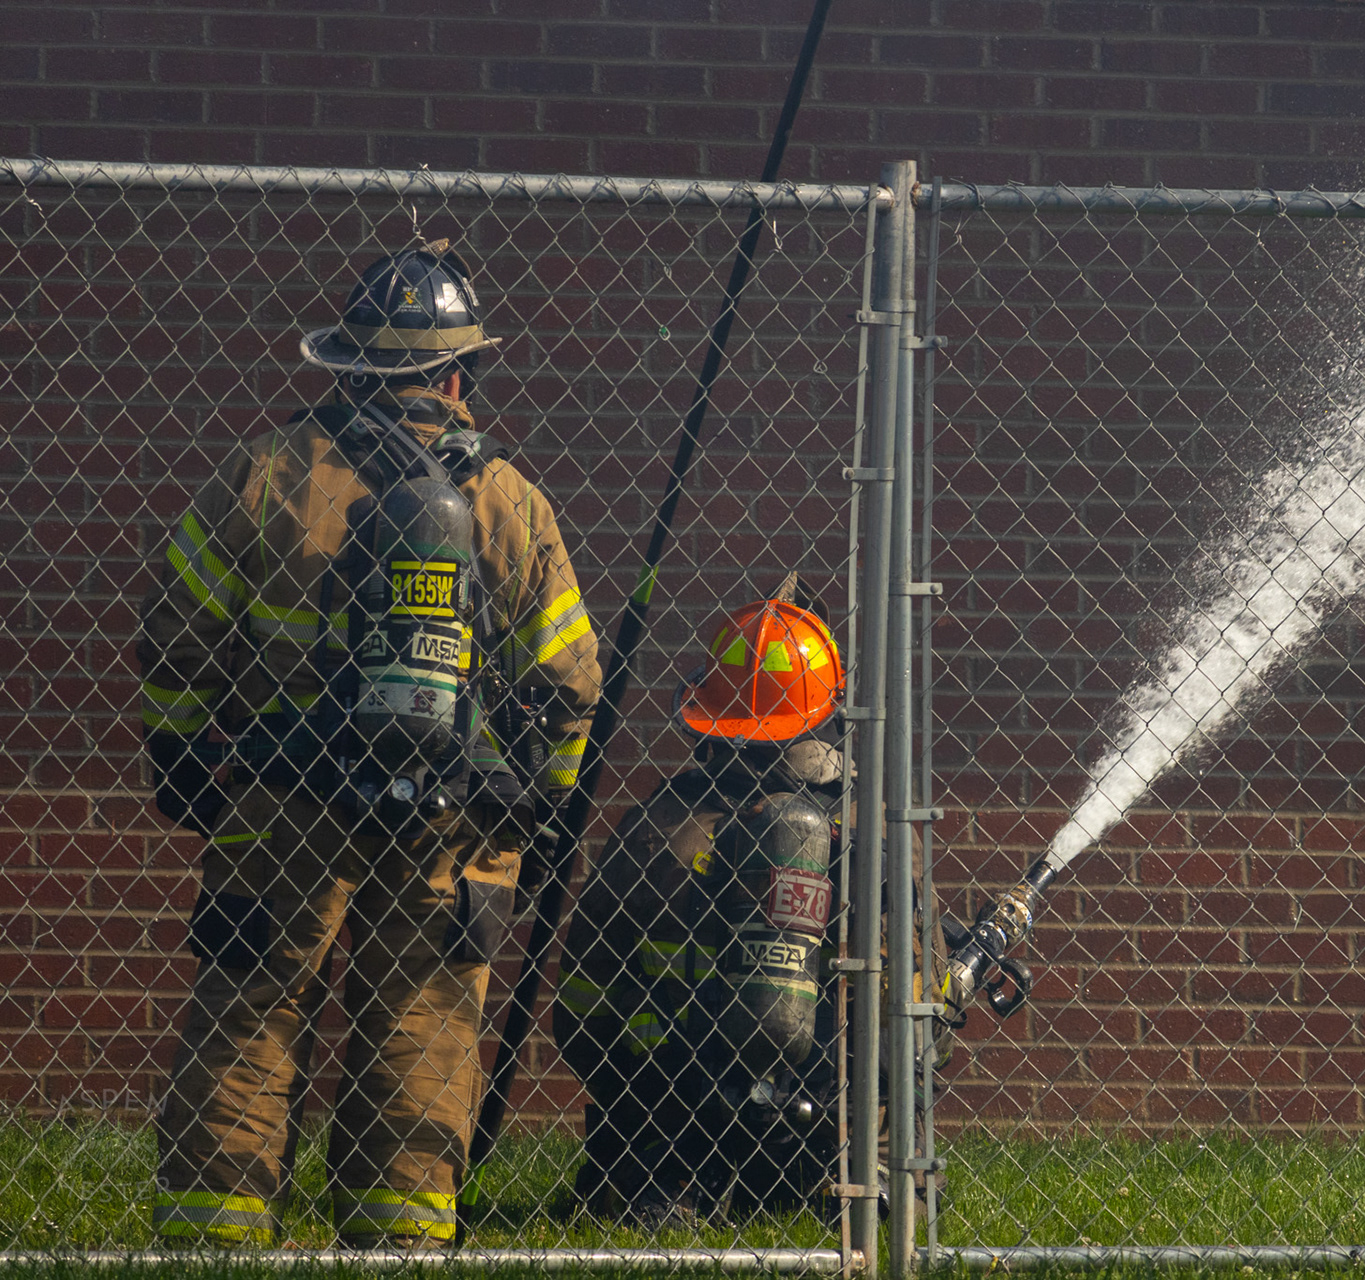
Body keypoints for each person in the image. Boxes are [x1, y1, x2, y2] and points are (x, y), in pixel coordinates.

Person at [136, 241, 602, 1248]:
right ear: (456, 372)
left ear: (348, 363)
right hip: (452, 819)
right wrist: (549, 801)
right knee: (424, 1027)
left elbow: (177, 625)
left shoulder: (269, 475)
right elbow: (571, 681)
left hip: (282, 799)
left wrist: (179, 750)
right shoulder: (511, 503)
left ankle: (213, 1234)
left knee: (249, 1013)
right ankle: (398, 1238)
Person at [555, 584, 948, 1225]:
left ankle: (656, 1183)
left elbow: (579, 1019)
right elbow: (922, 1038)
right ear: (830, 711)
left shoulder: (653, 828)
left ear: (705, 708)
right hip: (828, 1143)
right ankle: (877, 1180)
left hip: (667, 1134)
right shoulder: (875, 833)